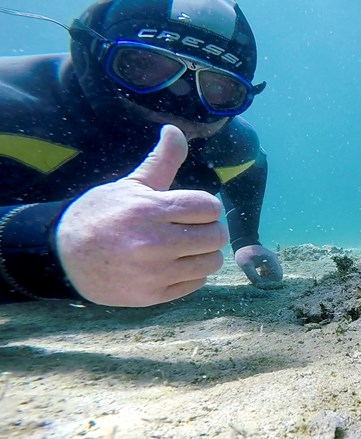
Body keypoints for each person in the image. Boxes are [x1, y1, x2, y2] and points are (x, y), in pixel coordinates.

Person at [0, 0, 283, 307]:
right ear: (92, 54)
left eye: (217, 88)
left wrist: (246, 241)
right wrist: (47, 246)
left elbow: (251, 170)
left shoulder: (231, 143)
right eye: (145, 66)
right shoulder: (10, 108)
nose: (179, 102)